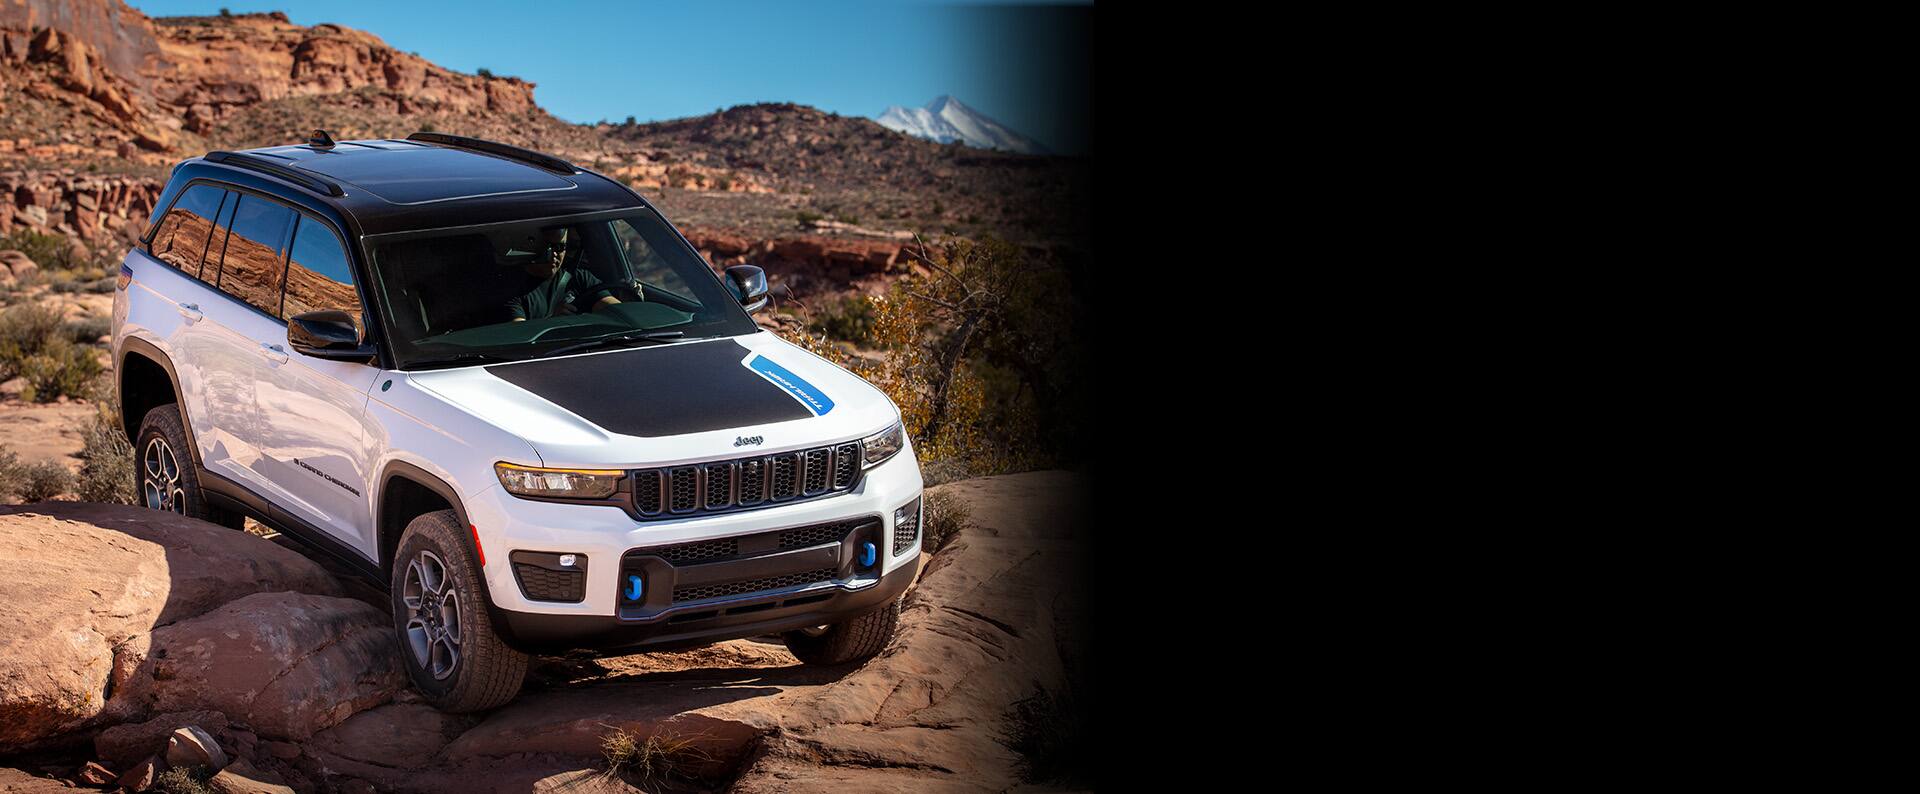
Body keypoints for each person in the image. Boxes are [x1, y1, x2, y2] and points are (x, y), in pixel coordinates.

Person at [505, 227, 621, 321]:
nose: (554, 254)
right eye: (546, 248)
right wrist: (552, 322)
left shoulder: (579, 278)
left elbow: (617, 312)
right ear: (529, 247)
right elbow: (521, 339)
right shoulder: (510, 290)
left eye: (560, 247)